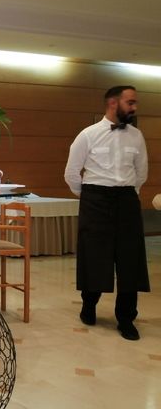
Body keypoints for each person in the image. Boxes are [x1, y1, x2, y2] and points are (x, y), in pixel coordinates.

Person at [64, 85, 149, 341]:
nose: (134, 107)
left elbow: (141, 173)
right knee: (94, 256)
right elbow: (71, 174)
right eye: (130, 102)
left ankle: (126, 318)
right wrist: (90, 196)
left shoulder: (137, 136)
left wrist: (123, 194)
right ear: (113, 103)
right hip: (95, 199)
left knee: (129, 259)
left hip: (126, 199)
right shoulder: (87, 135)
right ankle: (89, 305)